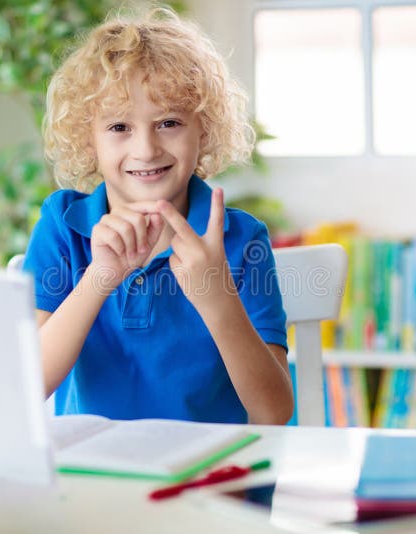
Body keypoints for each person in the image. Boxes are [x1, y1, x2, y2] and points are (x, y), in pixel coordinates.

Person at [23, 6, 293, 424]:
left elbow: (273, 412)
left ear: (203, 129)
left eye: (168, 122)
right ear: (87, 137)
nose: (146, 150)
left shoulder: (241, 240)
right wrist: (100, 277)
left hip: (213, 479)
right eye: (119, 128)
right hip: (95, 479)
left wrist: (218, 300)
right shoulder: (63, 225)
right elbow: (27, 384)